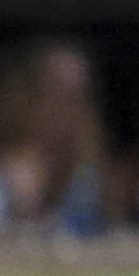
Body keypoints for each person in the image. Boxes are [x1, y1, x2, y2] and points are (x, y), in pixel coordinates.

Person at [0, 32, 105, 231]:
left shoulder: (87, 175)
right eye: (58, 99)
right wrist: (23, 206)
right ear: (25, 101)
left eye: (78, 101)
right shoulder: (5, 178)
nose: (68, 114)